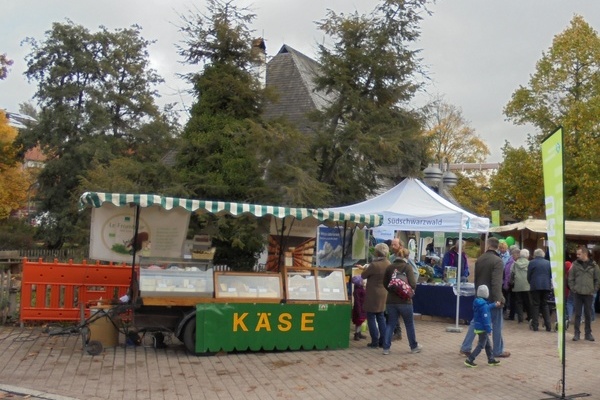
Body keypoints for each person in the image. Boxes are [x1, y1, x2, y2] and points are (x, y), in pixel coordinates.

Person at [460, 237, 510, 358]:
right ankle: (498, 350)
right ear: (497, 247)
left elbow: (476, 279)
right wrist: (500, 298)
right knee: (497, 324)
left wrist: (477, 295)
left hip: (479, 295)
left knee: (475, 321)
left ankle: (466, 346)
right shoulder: (497, 261)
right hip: (492, 297)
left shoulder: (480, 259)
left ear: (488, 246)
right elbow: (496, 282)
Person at [382, 248, 422, 355]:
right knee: (409, 324)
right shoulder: (407, 267)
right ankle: (413, 347)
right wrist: (407, 291)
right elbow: (413, 284)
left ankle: (386, 348)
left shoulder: (389, 267)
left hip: (391, 301)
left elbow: (385, 283)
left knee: (391, 323)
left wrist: (391, 291)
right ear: (407, 257)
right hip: (405, 301)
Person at [358, 243, 390, 348]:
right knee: (381, 316)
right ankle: (383, 340)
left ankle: (374, 341)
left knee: (371, 316)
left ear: (377, 252)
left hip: (373, 293)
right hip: (383, 292)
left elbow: (363, 275)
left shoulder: (374, 265)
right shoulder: (388, 263)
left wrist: (364, 269)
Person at [464, 285, 501, 368]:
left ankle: (491, 359)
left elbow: (487, 307)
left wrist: (494, 305)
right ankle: (470, 359)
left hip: (478, 327)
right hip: (483, 328)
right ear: (486, 294)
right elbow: (486, 319)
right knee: (481, 345)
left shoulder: (479, 303)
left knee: (488, 344)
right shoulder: (483, 306)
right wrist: (489, 329)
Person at [568, 246, 600, 342]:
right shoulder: (575, 265)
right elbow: (570, 278)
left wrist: (594, 289)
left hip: (589, 293)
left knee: (588, 314)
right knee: (577, 314)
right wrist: (573, 288)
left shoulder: (594, 266)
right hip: (578, 293)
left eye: (579, 254)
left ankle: (588, 333)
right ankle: (576, 333)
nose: (577, 256)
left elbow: (597, 279)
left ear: (585, 254)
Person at [527, 248, 553, 332]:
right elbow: (550, 275)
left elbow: (529, 275)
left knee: (535, 305)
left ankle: (535, 326)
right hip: (546, 285)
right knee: (545, 305)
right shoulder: (548, 263)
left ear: (535, 255)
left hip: (535, 285)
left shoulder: (532, 262)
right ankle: (548, 326)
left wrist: (530, 282)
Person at [511, 249, 531, 324]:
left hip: (517, 285)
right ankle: (530, 317)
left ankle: (520, 319)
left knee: (519, 302)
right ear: (527, 255)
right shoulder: (529, 263)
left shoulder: (515, 263)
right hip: (527, 285)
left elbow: (512, 273)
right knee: (528, 302)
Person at [502, 247, 520, 320]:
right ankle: (513, 314)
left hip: (511, 283)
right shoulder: (512, 261)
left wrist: (507, 283)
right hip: (512, 283)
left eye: (514, 254)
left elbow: (508, 273)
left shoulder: (512, 262)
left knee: (512, 299)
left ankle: (511, 315)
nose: (513, 255)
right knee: (513, 299)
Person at [351, 275, 367, 341]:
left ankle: (359, 332)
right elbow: (357, 301)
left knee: (360, 322)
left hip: (361, 307)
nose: (364, 281)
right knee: (359, 321)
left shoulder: (359, 289)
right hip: (359, 308)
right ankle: (357, 334)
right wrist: (359, 311)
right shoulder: (358, 290)